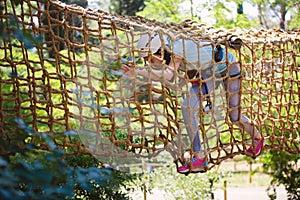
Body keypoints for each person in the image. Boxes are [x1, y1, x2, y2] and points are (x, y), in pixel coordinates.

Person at [122, 32, 263, 174]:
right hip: (209, 73)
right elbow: (170, 75)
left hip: (228, 67)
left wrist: (139, 71)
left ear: (159, 51)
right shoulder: (171, 53)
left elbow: (168, 75)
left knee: (235, 117)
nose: (149, 63)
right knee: (187, 107)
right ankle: (199, 157)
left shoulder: (177, 47)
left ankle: (257, 137)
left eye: (150, 59)